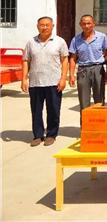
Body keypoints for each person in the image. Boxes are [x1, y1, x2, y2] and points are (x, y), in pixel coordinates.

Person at [22, 16, 69, 147]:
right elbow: (26, 61)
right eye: (42, 25)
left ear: (52, 26)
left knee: (53, 110)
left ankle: (51, 135)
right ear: (37, 27)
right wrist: (24, 79)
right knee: (36, 110)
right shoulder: (31, 42)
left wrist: (63, 79)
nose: (44, 27)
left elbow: (65, 60)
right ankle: (38, 135)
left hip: (54, 82)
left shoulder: (59, 42)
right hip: (35, 82)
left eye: (47, 25)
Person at [69, 15, 107, 119]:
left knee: (99, 99)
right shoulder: (76, 40)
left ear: (93, 23)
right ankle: (85, 126)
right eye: (84, 24)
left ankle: (100, 124)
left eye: (89, 23)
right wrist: (71, 75)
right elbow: (73, 58)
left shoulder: (101, 37)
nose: (86, 26)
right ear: (80, 25)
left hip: (98, 69)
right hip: (83, 69)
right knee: (83, 100)